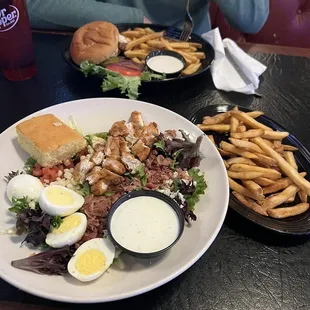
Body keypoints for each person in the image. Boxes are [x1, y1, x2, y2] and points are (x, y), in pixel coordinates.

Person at [26, 0, 269, 35]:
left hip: (192, 52)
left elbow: (252, 19)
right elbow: (30, 5)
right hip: (106, 54)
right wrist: (131, 19)